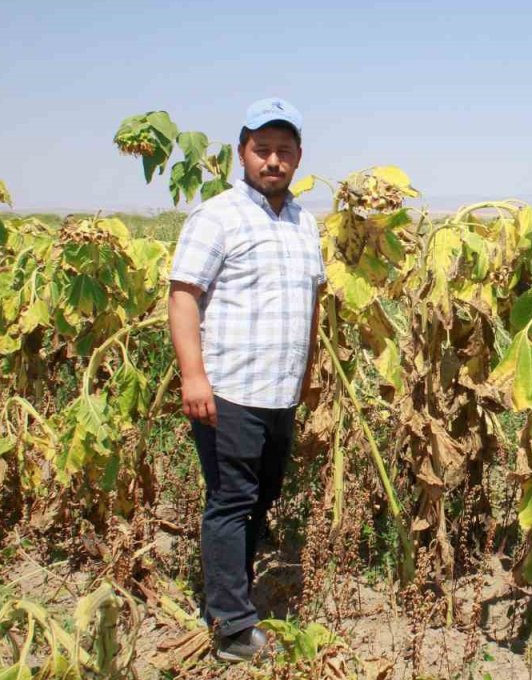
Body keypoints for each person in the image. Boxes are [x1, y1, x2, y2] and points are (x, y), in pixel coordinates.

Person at [168, 97, 325, 663]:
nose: (274, 160)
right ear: (242, 153)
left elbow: (313, 303)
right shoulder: (216, 216)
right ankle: (232, 627)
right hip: (230, 388)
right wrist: (193, 377)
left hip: (280, 390)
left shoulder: (306, 223)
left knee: (263, 495)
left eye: (284, 150)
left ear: (299, 157)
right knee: (231, 500)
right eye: (263, 150)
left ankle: (235, 589)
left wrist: (308, 374)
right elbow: (183, 296)